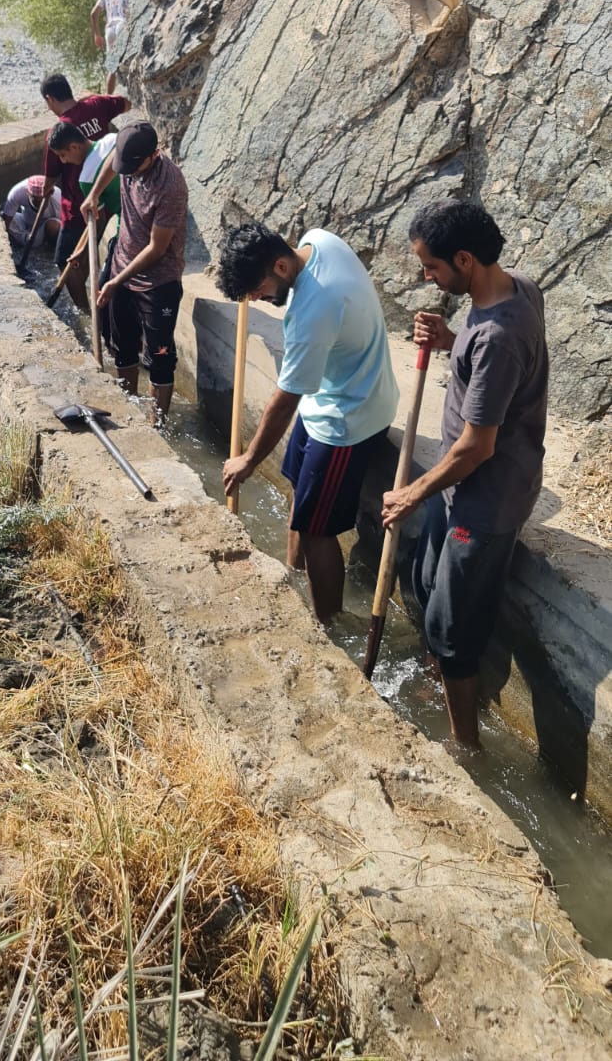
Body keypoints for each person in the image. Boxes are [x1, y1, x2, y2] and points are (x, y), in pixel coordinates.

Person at [381, 199, 548, 748]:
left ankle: (464, 745)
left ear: (464, 259)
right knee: (427, 583)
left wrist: (410, 494)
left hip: (484, 494)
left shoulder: (499, 336)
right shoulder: (515, 288)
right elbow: (493, 372)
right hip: (457, 484)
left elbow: (477, 446)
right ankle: (439, 686)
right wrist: (451, 340)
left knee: (453, 632)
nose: (426, 277)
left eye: (431, 266)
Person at [219, 223, 399, 624]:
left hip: (349, 417)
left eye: (258, 290)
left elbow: (285, 402)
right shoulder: (318, 241)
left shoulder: (313, 310)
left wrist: (249, 460)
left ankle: (327, 624)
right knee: (301, 499)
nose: (258, 300)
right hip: (330, 395)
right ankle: (293, 578)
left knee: (318, 531)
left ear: (281, 267)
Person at [81, 120, 187, 423]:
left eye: (133, 167)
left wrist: (115, 281)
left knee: (160, 357)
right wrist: (94, 194)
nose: (126, 173)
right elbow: (113, 165)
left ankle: (157, 425)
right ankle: (128, 409)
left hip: (158, 281)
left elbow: (157, 248)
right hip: (121, 265)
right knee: (122, 347)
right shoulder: (126, 157)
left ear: (153, 154)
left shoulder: (170, 186)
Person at [40, 73, 129, 309]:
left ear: (50, 99)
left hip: (79, 204)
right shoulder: (98, 107)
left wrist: (46, 190)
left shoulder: (58, 132)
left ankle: (85, 310)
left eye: (64, 155)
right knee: (95, 259)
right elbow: (127, 103)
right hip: (113, 205)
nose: (64, 159)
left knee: (66, 261)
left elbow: (50, 178)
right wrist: (100, 96)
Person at [91, 0, 140, 93]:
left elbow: (93, 13)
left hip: (110, 31)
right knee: (134, 59)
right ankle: (134, 93)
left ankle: (108, 97)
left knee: (111, 67)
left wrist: (97, 35)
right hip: (123, 26)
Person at [2, 174, 61, 248]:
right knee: (1, 218)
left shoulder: (58, 197)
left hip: (43, 229)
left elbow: (64, 225)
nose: (39, 203)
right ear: (27, 192)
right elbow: (7, 218)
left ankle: (46, 247)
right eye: (35, 200)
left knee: (53, 226)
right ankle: (24, 241)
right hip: (25, 222)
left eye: (41, 200)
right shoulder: (17, 192)